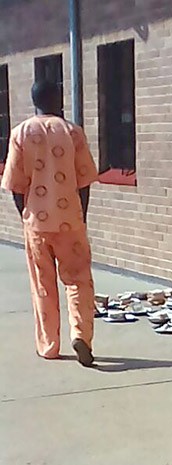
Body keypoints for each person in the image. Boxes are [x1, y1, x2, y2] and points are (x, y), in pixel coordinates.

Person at [1, 80, 99, 367]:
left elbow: (16, 185)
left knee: (42, 284)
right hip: (70, 219)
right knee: (78, 279)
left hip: (37, 222)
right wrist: (82, 215)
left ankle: (49, 345)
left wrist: (26, 215)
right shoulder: (72, 132)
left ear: (34, 101)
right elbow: (84, 181)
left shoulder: (21, 133)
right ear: (58, 99)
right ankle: (81, 335)